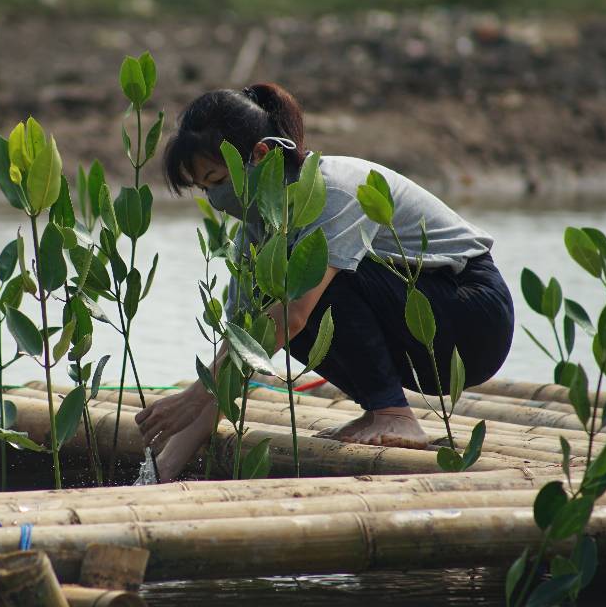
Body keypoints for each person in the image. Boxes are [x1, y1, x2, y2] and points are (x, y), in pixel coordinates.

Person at [134, 83, 514, 481]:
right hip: (417, 333)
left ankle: (394, 413)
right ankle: (380, 409)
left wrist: (196, 392)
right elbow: (243, 353)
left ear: (261, 156)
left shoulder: (333, 189)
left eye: (216, 180)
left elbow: (294, 315)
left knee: (300, 286)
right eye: (204, 188)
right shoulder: (258, 228)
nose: (214, 199)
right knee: (271, 303)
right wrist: (160, 469)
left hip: (471, 316)